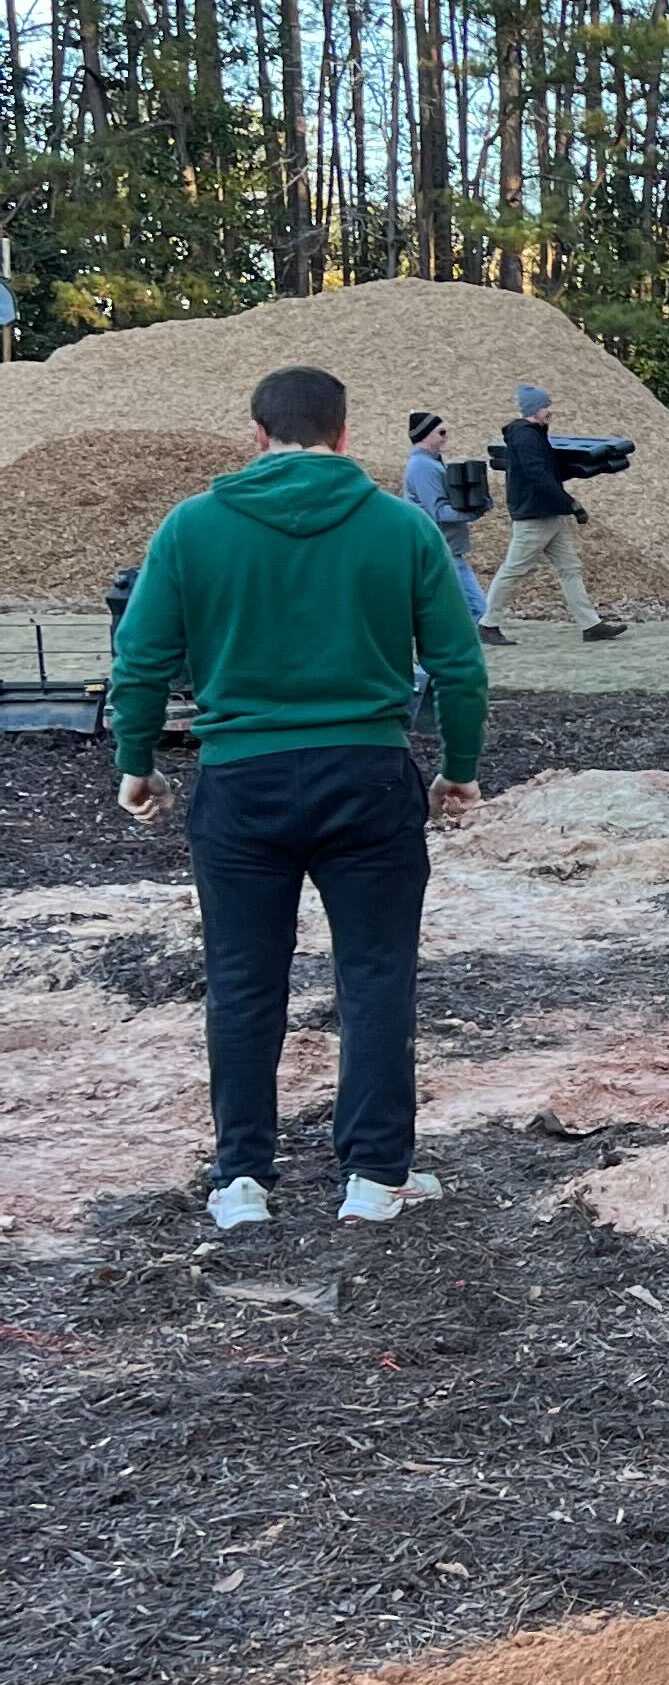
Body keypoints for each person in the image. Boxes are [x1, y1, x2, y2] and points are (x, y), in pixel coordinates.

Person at [111, 364, 486, 1232]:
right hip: (368, 775)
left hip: (241, 781)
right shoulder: (401, 526)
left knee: (242, 981)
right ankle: (376, 1175)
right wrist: (459, 766)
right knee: (376, 973)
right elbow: (459, 663)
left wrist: (136, 760)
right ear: (344, 434)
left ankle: (242, 1178)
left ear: (258, 434)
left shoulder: (192, 526)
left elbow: (140, 658)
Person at [483, 382, 625, 639]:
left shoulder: (534, 434)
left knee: (570, 568)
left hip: (548, 513)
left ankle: (591, 625)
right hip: (534, 516)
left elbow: (548, 472)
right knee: (513, 570)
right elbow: (537, 475)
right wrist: (571, 503)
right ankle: (487, 624)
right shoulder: (526, 437)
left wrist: (588, 470)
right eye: (545, 407)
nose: (550, 411)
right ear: (533, 410)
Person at [403, 411, 499, 641]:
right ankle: (483, 629)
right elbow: (438, 511)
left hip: (440, 544)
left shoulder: (428, 464)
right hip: (440, 544)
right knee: (475, 603)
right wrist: (473, 512)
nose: (446, 437)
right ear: (425, 435)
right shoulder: (423, 467)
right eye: (441, 432)